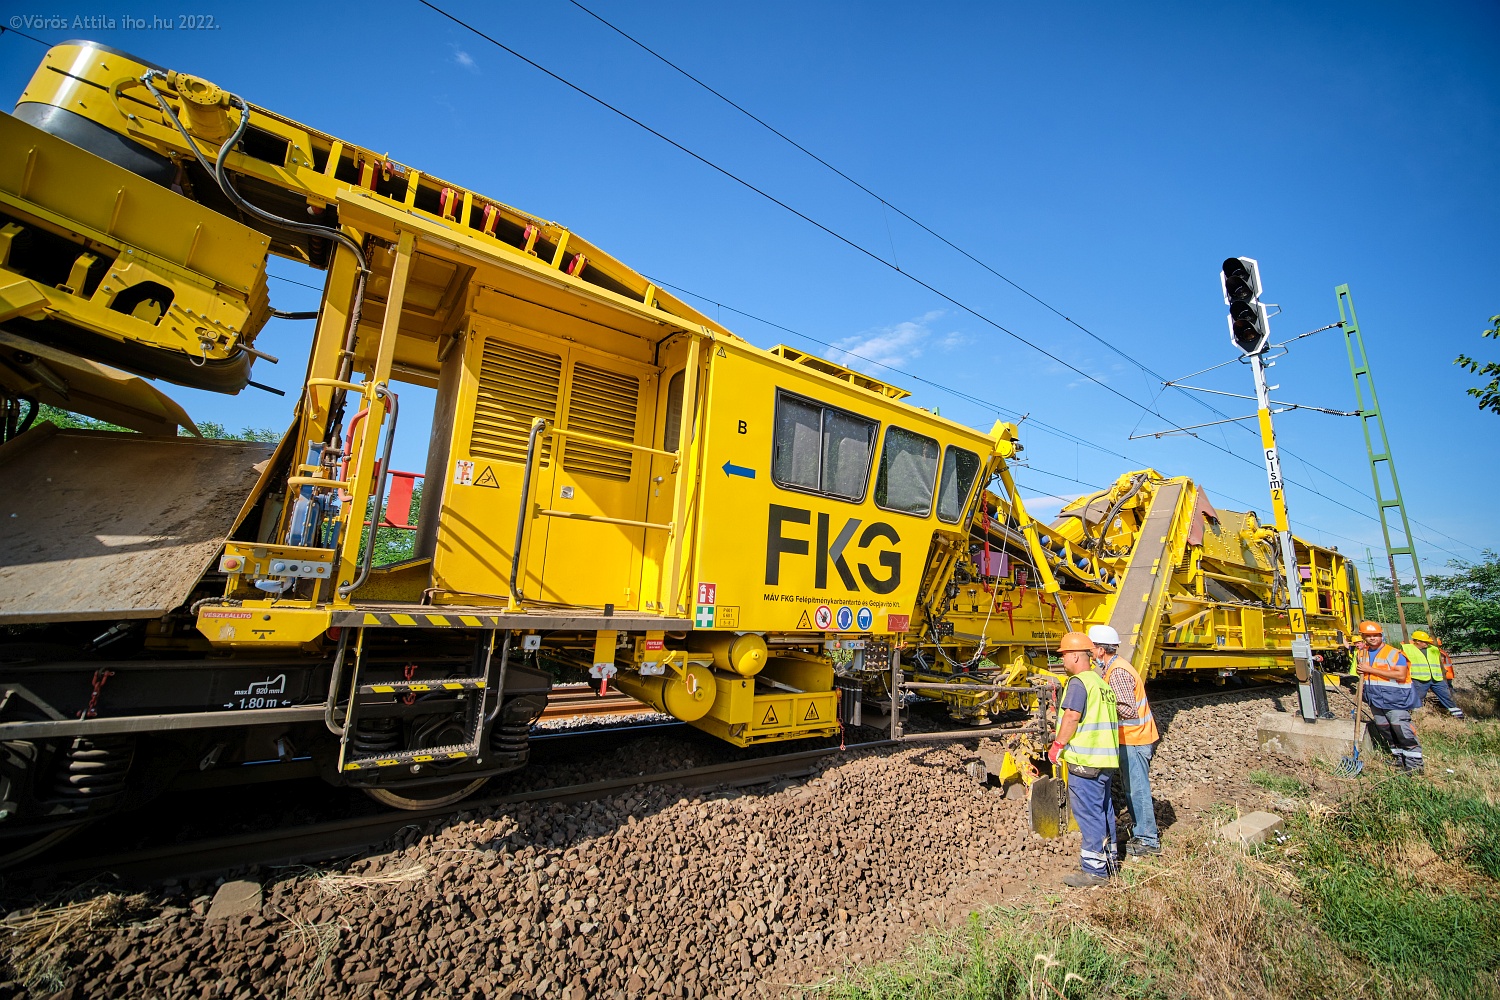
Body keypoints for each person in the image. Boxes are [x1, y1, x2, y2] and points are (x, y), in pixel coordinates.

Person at [1048, 631, 1120, 887]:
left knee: (1088, 814)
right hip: (1106, 761)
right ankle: (1109, 860)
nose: (1063, 660)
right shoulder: (1101, 683)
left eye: (1065, 655)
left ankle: (1094, 872)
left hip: (1085, 760)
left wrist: (1057, 746)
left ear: (1076, 655)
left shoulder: (1078, 683)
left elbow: (1071, 717)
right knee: (1104, 810)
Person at [1088, 624, 1160, 857]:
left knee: (1137, 790)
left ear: (1101, 650)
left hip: (1135, 740)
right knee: (1133, 789)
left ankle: (1148, 840)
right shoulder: (1113, 668)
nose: (1091, 654)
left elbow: (1127, 709)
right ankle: (1142, 831)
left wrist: (1098, 709)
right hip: (1132, 739)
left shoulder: (1117, 672)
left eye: (1092, 649)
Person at [1354, 620, 1424, 773]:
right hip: (1376, 699)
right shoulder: (1362, 653)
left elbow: (1400, 674)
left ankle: (1414, 765)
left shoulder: (1394, 653)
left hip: (1396, 699)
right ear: (1363, 637)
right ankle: (1399, 758)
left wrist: (1370, 669)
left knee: (1402, 730)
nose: (1372, 638)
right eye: (1368, 636)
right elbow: (1363, 675)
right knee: (1385, 730)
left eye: (1375, 635)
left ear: (1381, 635)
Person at [1402, 630, 1465, 720]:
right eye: (1425, 642)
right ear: (1417, 641)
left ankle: (1459, 717)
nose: (1427, 643)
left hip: (1436, 679)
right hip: (1419, 679)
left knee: (1447, 697)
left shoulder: (1434, 649)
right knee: (1416, 700)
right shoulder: (1407, 649)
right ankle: (1411, 718)